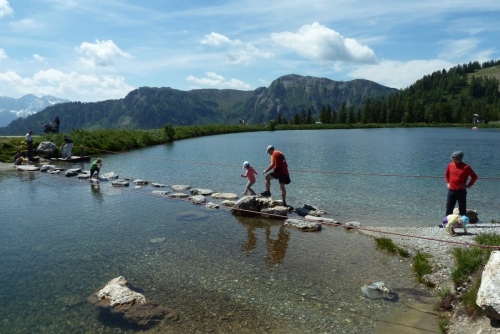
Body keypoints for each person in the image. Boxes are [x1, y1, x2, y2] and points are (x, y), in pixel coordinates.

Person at [445, 151, 478, 216]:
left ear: (458, 158)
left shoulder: (466, 167)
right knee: (449, 208)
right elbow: (447, 174)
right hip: (451, 190)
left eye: (453, 158)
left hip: (461, 191)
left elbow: (474, 177)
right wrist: (448, 183)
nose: (452, 159)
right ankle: (446, 223)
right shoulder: (450, 165)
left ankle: (463, 223)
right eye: (452, 157)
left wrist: (468, 185)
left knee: (462, 208)